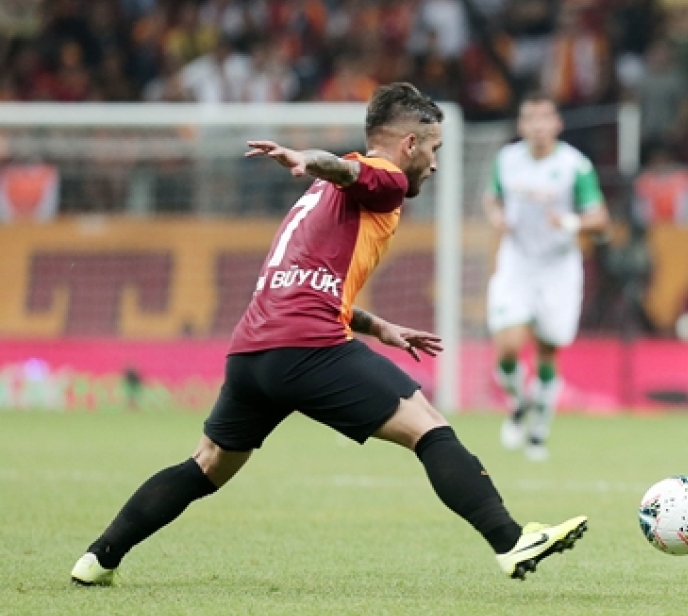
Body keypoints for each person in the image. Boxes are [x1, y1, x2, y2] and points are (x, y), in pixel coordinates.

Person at [70, 83, 587, 587]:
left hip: (252, 352)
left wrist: (377, 326)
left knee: (206, 465)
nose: (434, 164)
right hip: (308, 347)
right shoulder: (383, 178)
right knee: (427, 427)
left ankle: (98, 557)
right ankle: (510, 540)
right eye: (433, 149)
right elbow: (346, 168)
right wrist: (309, 158)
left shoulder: (320, 198)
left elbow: (307, 281)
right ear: (409, 143)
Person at [482, 93, 610, 461]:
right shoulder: (507, 160)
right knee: (507, 346)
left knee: (547, 349)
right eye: (530, 119)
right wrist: (496, 216)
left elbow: (600, 219)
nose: (538, 126)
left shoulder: (574, 166)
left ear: (557, 124)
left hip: (558, 267)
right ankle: (518, 403)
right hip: (517, 262)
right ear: (521, 125)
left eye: (544, 118)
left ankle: (539, 429)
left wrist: (569, 222)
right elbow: (492, 198)